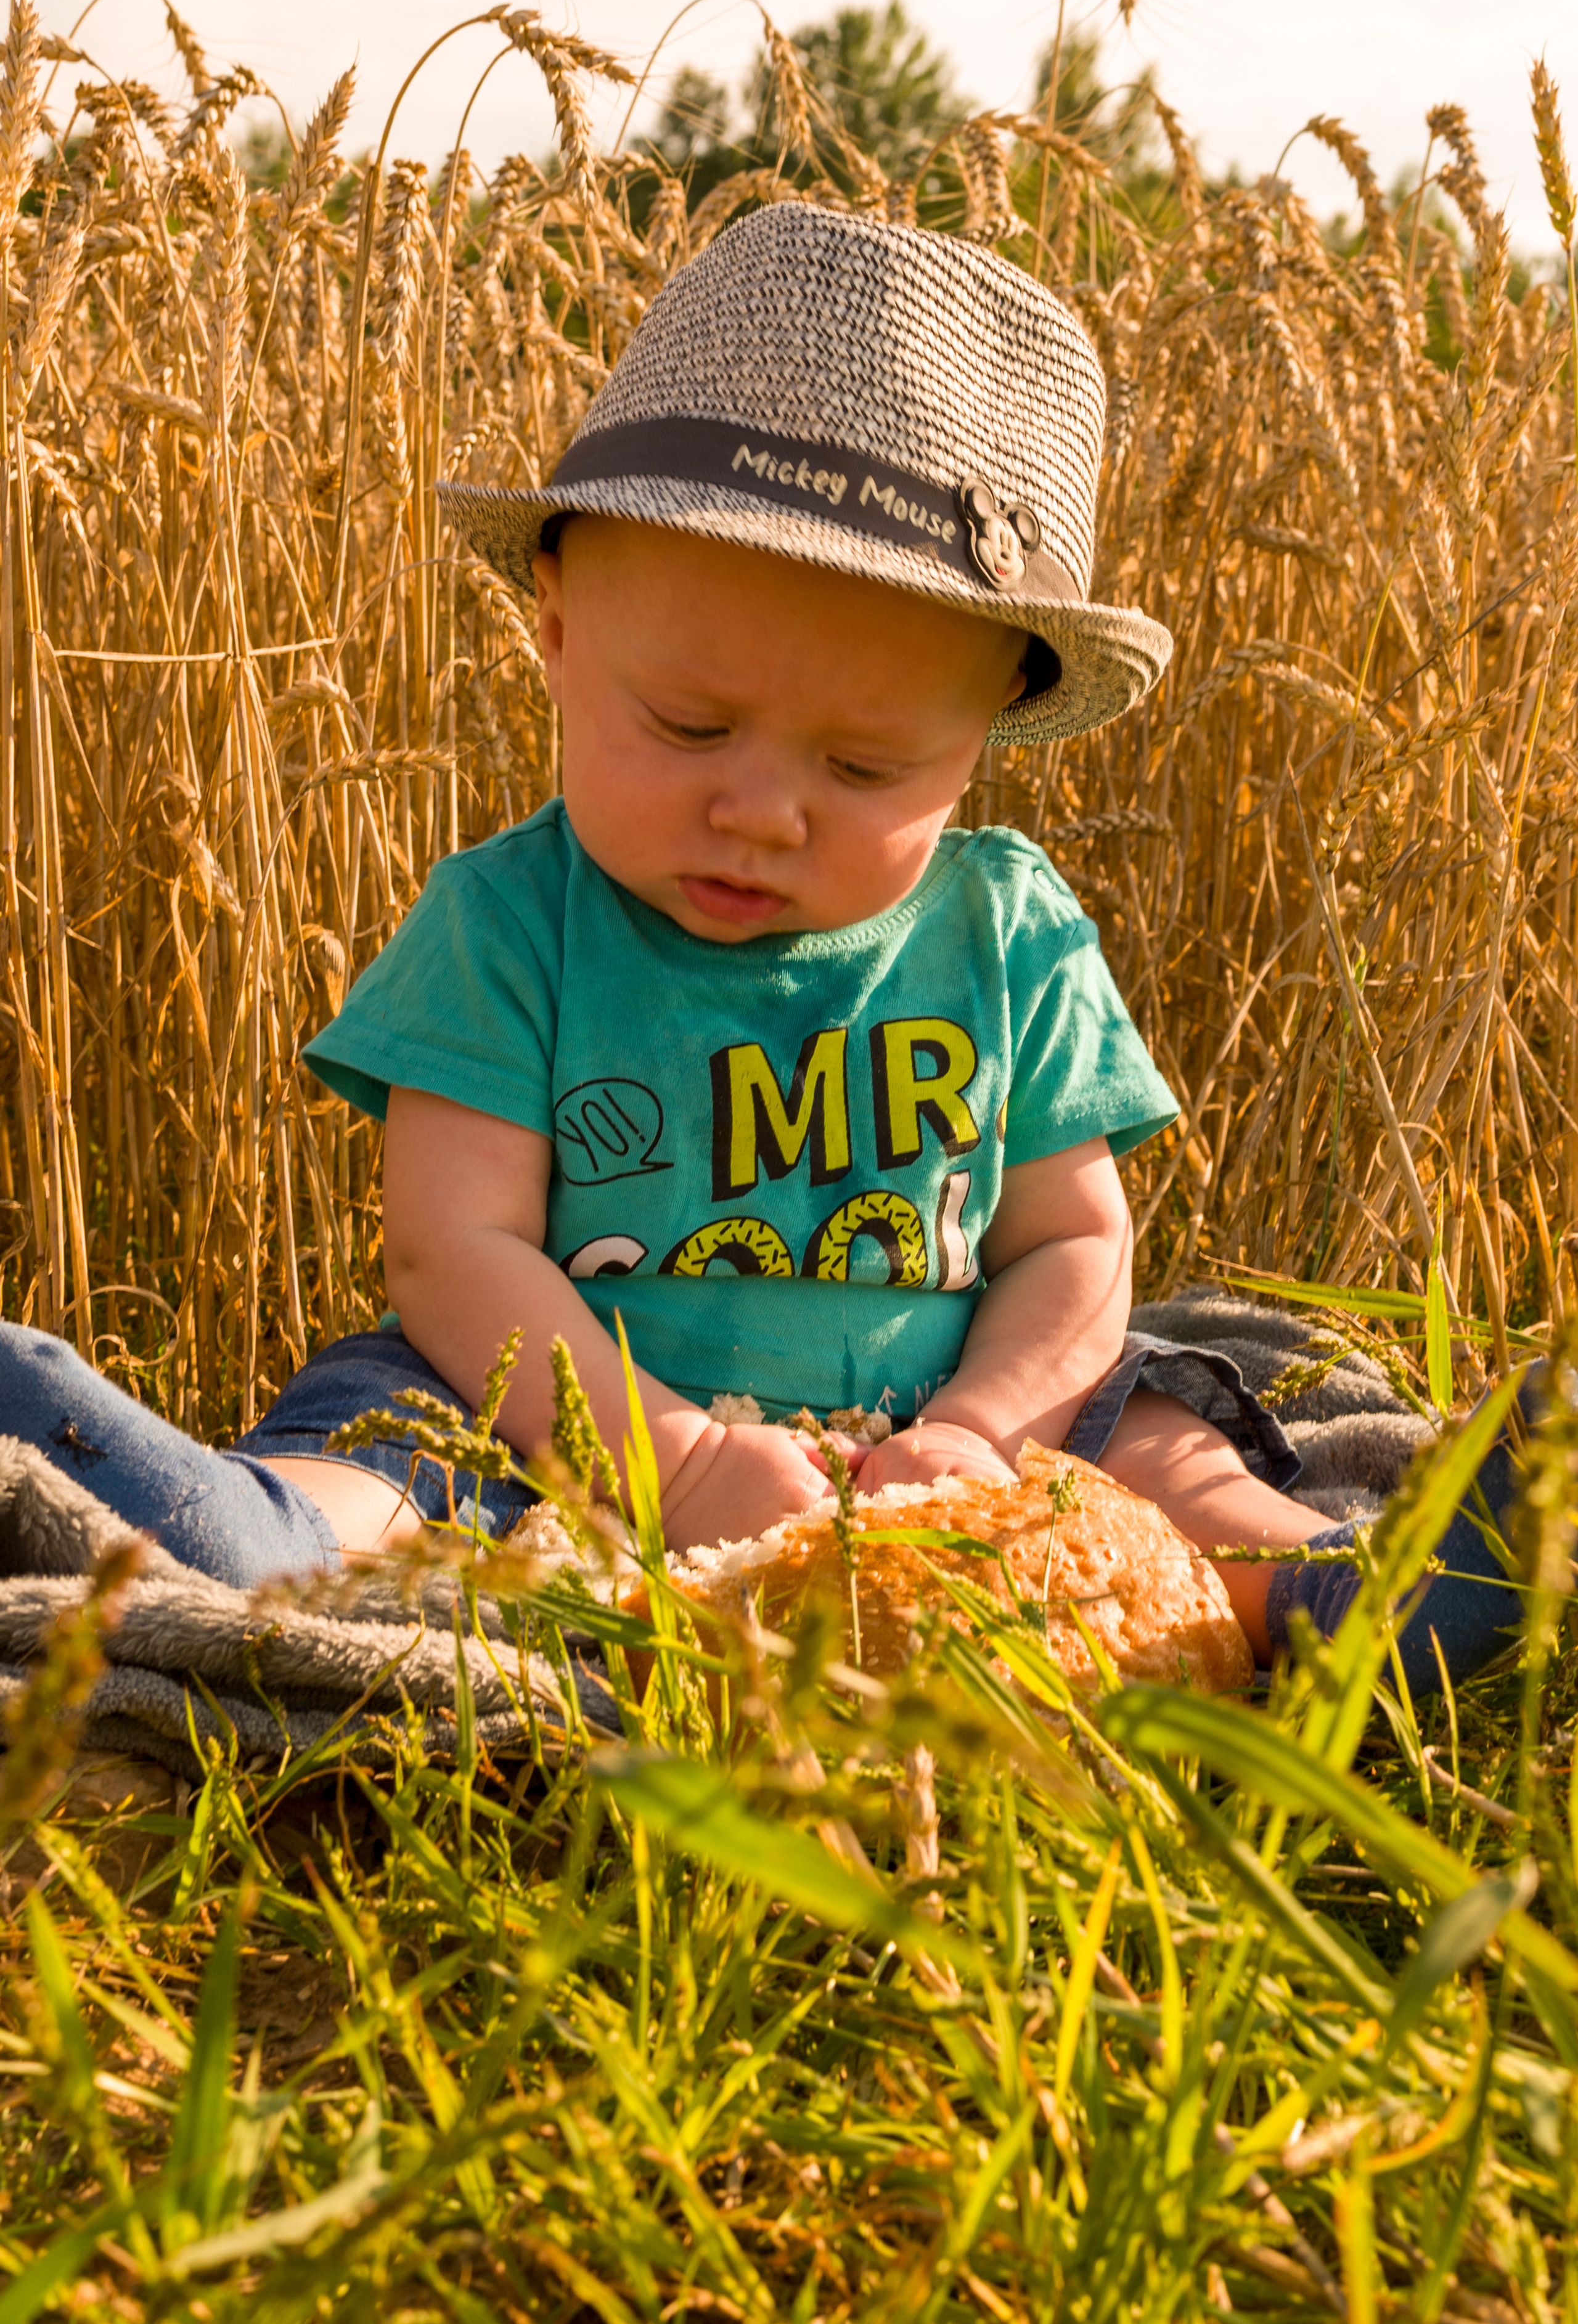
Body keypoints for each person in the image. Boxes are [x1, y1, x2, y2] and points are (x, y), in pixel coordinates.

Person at [0, 205, 1525, 1691]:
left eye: (863, 772)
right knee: (391, 1463)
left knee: (1158, 1442)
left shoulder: (1005, 927)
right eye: (686, 726)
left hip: (944, 1433)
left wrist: (984, 1431)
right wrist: (676, 1458)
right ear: (552, 626)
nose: (760, 812)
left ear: (984, 733)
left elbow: (1070, 1243)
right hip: (556, 1419)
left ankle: (1369, 1594)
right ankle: (182, 1521)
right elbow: (453, 1252)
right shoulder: (507, 923)